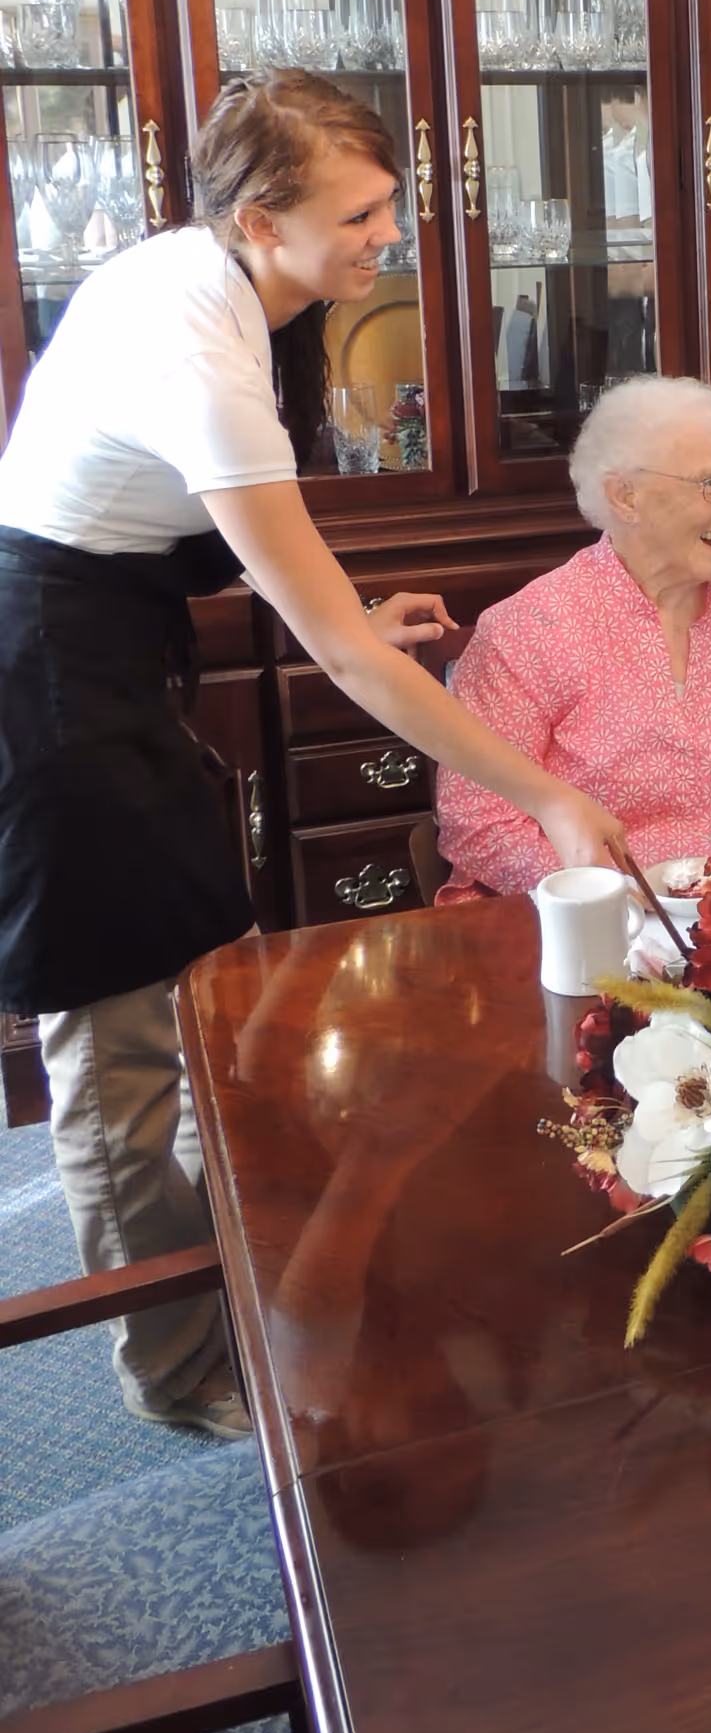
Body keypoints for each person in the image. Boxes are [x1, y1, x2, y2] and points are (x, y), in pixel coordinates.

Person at [0, 70, 632, 1438]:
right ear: (257, 215)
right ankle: (174, 1382)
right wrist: (546, 794)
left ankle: (211, 1292)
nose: (388, 237)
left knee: (203, 995)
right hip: (50, 685)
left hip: (110, 641)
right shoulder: (201, 351)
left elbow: (202, 545)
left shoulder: (227, 286)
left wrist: (345, 611)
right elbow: (340, 659)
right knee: (115, 1048)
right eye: (359, 215)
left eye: (390, 202)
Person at [436, 376, 711, 896]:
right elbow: (477, 822)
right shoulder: (530, 628)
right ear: (625, 496)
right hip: (577, 922)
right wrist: (616, 901)